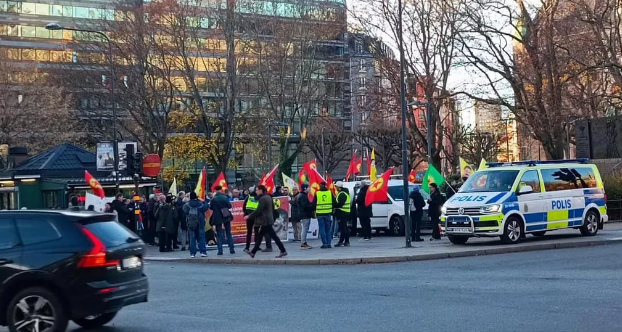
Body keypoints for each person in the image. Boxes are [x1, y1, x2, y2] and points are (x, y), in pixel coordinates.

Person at [245, 185, 287, 258]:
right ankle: (253, 252)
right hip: (268, 220)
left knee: (271, 236)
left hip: (265, 220)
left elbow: (258, 210)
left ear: (261, 190)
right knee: (262, 236)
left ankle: (283, 250)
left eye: (257, 190)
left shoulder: (263, 199)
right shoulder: (268, 197)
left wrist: (249, 216)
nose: (256, 192)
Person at [243, 186, 271, 252]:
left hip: (249, 217)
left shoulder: (249, 197)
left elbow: (244, 206)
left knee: (249, 232)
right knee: (256, 232)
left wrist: (246, 214)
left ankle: (247, 247)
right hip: (256, 217)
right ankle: (256, 246)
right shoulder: (260, 197)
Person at [183, 192, 210, 258]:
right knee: (201, 237)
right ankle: (203, 252)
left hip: (191, 223)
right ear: (196, 197)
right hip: (200, 223)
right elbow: (206, 207)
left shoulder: (187, 205)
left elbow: (185, 211)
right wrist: (203, 201)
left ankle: (192, 253)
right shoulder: (200, 204)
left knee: (192, 238)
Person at [210, 185, 235, 255]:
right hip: (226, 216)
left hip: (217, 217)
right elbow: (229, 206)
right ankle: (231, 249)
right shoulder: (225, 197)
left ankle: (220, 250)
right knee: (228, 232)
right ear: (221, 190)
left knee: (219, 234)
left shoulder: (213, 199)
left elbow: (211, 207)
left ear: (215, 190)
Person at [313, 182, 336, 248]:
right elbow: (334, 202)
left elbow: (314, 204)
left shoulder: (317, 193)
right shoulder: (329, 193)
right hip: (328, 213)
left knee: (322, 228)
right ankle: (329, 243)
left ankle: (324, 243)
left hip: (320, 214)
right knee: (328, 229)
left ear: (320, 186)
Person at [333, 181, 351, 247]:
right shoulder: (344, 193)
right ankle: (347, 241)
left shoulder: (342, 194)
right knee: (344, 227)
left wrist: (334, 205)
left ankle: (341, 241)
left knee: (342, 228)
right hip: (344, 212)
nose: (335, 187)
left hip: (342, 212)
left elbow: (340, 204)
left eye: (336, 186)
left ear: (339, 187)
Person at [296, 184, 313, 249]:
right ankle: (303, 242)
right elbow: (305, 206)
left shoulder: (302, 195)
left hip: (303, 214)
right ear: (305, 188)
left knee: (305, 228)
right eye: (309, 188)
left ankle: (304, 242)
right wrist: (312, 205)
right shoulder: (303, 196)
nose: (310, 189)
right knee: (305, 229)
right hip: (304, 215)